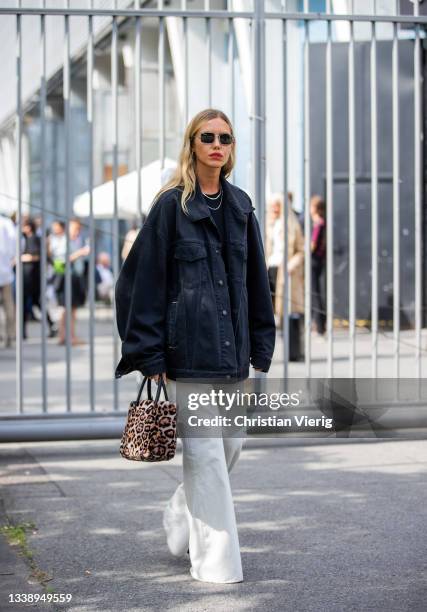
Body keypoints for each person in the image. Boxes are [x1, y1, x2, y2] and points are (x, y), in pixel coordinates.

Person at [114, 108, 276, 583]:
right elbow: (138, 284)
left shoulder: (242, 206)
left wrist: (261, 349)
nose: (216, 144)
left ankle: (180, 511)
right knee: (205, 458)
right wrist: (149, 353)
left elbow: (255, 286)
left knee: (227, 453)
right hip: (186, 358)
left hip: (234, 356)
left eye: (225, 137)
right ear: (193, 143)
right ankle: (217, 566)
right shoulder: (171, 207)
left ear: (231, 148)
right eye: (207, 136)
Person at [48, 218, 90, 345]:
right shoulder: (65, 241)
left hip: (72, 277)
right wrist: (81, 252)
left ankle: (66, 336)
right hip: (67, 278)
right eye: (75, 229)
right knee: (68, 309)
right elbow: (62, 259)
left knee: (69, 309)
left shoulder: (71, 240)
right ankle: (68, 337)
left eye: (79, 229)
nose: (77, 232)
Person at [21, 217, 57, 339]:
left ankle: (51, 324)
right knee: (31, 304)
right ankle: (23, 332)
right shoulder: (27, 239)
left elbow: (36, 256)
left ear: (28, 227)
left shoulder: (33, 239)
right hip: (29, 277)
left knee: (34, 303)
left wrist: (19, 258)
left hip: (32, 278)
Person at [310, 194, 326, 336]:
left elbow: (313, 245)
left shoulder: (318, 223)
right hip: (318, 261)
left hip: (314, 261)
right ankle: (319, 325)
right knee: (315, 293)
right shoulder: (321, 223)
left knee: (314, 293)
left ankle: (320, 326)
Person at [0, 214, 16, 348]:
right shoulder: (6, 223)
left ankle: (6, 335)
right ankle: (10, 334)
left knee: (8, 305)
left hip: (5, 271)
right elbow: (15, 243)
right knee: (8, 305)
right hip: (5, 270)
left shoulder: (6, 223)